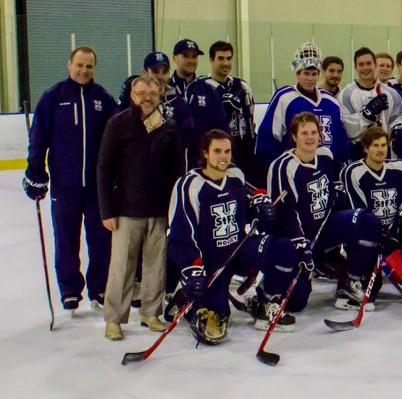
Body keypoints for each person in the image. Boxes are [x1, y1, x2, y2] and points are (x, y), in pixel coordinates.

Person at [166, 129, 298, 345]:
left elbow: (251, 199)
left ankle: (266, 301)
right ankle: (185, 297)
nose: (223, 157)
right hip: (208, 263)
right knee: (218, 316)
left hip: (237, 253)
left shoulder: (235, 175)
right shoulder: (190, 185)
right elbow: (180, 233)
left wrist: (261, 208)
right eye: (217, 151)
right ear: (205, 153)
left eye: (227, 151)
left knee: (281, 248)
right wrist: (192, 269)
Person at [265, 112, 383, 329]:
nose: (310, 138)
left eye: (314, 133)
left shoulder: (325, 156)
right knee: (296, 302)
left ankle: (350, 281)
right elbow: (286, 213)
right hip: (295, 240)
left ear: (320, 135)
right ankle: (268, 287)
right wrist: (300, 242)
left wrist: (335, 195)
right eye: (304, 133)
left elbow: (332, 186)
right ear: (294, 137)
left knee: (368, 222)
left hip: (324, 228)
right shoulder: (284, 166)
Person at [23, 46, 117, 311]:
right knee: (66, 239)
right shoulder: (53, 97)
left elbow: (117, 138)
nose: (84, 70)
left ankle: (99, 288)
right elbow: (38, 137)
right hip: (65, 185)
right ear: (69, 65)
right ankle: (69, 290)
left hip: (97, 187)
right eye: (80, 65)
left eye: (89, 66)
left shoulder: (103, 99)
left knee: (100, 239)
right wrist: (35, 171)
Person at [97, 76, 185, 340]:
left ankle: (151, 312)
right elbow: (103, 169)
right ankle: (114, 319)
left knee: (156, 265)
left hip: (158, 210)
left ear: (159, 95)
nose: (147, 97)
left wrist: (175, 209)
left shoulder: (168, 126)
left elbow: (178, 171)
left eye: (152, 93)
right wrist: (106, 210)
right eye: (141, 92)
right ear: (132, 95)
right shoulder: (118, 124)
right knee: (122, 266)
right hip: (126, 210)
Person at [336, 127, 402, 310]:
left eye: (383, 145)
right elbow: (358, 212)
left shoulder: (400, 168)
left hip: (393, 237)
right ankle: (346, 288)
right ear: (366, 148)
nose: (380, 150)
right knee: (372, 288)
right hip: (365, 238)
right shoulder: (354, 172)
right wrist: (381, 236)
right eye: (375, 145)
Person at [256, 42, 350, 167]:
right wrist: (275, 167)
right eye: (306, 73)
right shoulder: (284, 98)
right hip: (294, 169)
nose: (310, 79)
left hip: (326, 169)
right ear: (297, 73)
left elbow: (339, 138)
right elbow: (268, 137)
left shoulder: (331, 101)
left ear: (319, 74)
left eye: (314, 74)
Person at [191, 41, 258, 180]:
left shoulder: (243, 86)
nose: (225, 63)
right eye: (220, 58)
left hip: (243, 153)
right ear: (211, 60)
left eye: (228, 58)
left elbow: (251, 122)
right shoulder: (201, 87)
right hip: (217, 156)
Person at [338, 47, 402, 157]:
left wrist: (400, 130)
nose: (365, 67)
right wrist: (366, 115)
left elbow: (399, 119)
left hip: (385, 155)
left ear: (375, 65)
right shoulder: (346, 95)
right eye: (361, 64)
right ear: (355, 67)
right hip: (358, 156)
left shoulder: (391, 93)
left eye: (368, 63)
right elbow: (347, 129)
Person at [118, 52, 193, 145]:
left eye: (164, 72)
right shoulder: (132, 98)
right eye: (155, 72)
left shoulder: (177, 101)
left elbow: (186, 135)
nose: (160, 77)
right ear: (144, 73)